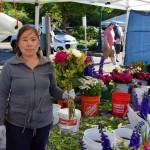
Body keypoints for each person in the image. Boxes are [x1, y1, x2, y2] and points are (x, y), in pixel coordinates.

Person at [0, 24, 75, 150]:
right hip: (17, 125)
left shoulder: (47, 65)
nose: (29, 44)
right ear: (18, 43)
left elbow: (53, 89)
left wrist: (65, 95)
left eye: (33, 39)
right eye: (24, 39)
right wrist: (0, 122)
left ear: (38, 43)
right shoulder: (9, 66)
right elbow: (1, 95)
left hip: (43, 123)